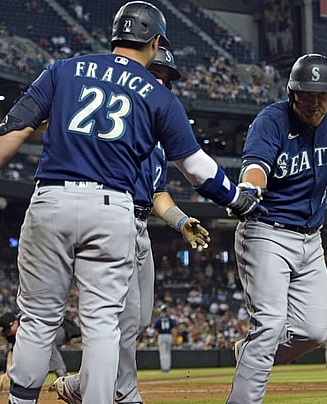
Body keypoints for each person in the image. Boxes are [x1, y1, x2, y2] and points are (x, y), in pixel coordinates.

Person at [0, 0, 264, 404]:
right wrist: (236, 200)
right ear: (155, 42)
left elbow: (17, 123)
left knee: (37, 317)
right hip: (112, 209)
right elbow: (195, 167)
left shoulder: (64, 70)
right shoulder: (159, 96)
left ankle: (21, 400)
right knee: (103, 324)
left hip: (52, 199)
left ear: (116, 36)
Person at [52, 46, 209, 403]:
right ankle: (125, 393)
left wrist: (181, 221)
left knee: (136, 323)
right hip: (113, 221)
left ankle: (79, 385)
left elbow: (157, 194)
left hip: (140, 229)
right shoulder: (115, 127)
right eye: (155, 74)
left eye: (165, 80)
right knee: (117, 323)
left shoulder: (156, 142)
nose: (159, 83)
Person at [226, 53, 327, 404]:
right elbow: (255, 164)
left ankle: (250, 353)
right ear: (292, 92)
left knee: (314, 333)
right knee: (270, 325)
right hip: (266, 232)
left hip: (311, 239)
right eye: (307, 93)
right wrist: (251, 188)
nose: (315, 101)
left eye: (323, 94)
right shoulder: (271, 121)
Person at [0, 312, 80, 392]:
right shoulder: (12, 335)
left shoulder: (27, 321)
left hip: (61, 329)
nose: (8, 333)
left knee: (46, 341)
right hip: (45, 336)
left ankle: (63, 377)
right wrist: (8, 372)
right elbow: (12, 352)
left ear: (15, 323)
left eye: (8, 329)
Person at [154, 304, 178, 373]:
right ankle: (167, 367)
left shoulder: (158, 320)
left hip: (161, 335)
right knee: (168, 353)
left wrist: (155, 339)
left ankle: (164, 368)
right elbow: (174, 329)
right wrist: (174, 338)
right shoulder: (170, 319)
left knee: (162, 353)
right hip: (168, 335)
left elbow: (155, 331)